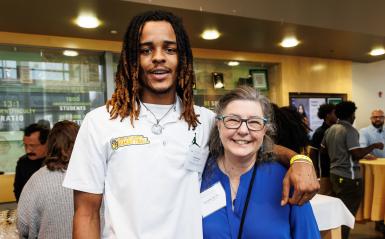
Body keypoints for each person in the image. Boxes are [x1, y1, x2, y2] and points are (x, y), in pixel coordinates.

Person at [63, 10, 318, 238]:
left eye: (170, 49)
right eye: (146, 49)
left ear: (182, 58)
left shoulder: (204, 120)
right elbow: (86, 214)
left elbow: (251, 144)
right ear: (132, 59)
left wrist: (300, 160)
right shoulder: (100, 122)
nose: (158, 58)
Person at [201, 86, 320, 239]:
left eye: (254, 122)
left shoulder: (287, 180)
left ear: (265, 129)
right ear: (218, 124)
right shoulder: (199, 175)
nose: (243, 130)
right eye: (232, 120)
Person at [321, 101, 384, 239]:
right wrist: (374, 145)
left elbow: (323, 150)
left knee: (338, 212)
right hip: (349, 178)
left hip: (335, 175)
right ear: (351, 115)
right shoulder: (350, 130)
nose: (355, 117)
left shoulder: (330, 129)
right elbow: (357, 154)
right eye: (354, 114)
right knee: (347, 214)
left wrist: (337, 157)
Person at [17, 120, 79, 239]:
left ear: (49, 145)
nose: (28, 150)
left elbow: (23, 225)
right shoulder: (96, 177)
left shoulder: (37, 180)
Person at [359, 109, 385, 233]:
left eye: (380, 117)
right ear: (371, 118)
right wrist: (368, 154)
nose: (378, 119)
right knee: (379, 196)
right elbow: (362, 148)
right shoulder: (364, 131)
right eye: (375, 117)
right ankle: (378, 220)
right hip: (375, 170)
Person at [13, 123, 50, 201]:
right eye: (25, 145)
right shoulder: (22, 162)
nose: (28, 150)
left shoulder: (58, 162)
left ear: (47, 143)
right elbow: (18, 190)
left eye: (33, 146)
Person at [309, 103, 337, 195]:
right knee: (325, 195)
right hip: (324, 171)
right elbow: (313, 152)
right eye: (334, 113)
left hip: (336, 170)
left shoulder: (338, 129)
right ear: (328, 115)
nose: (337, 115)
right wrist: (315, 170)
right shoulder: (320, 132)